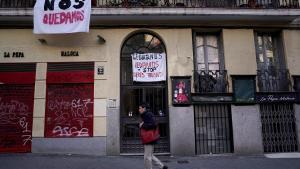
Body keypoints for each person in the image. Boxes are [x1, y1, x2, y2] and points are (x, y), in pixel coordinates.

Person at [139, 103, 168, 169]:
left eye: (140, 108)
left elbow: (153, 125)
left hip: (149, 138)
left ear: (144, 108)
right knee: (150, 155)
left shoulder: (147, 115)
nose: (139, 110)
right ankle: (162, 166)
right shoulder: (146, 114)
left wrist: (142, 125)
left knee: (147, 157)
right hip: (150, 138)